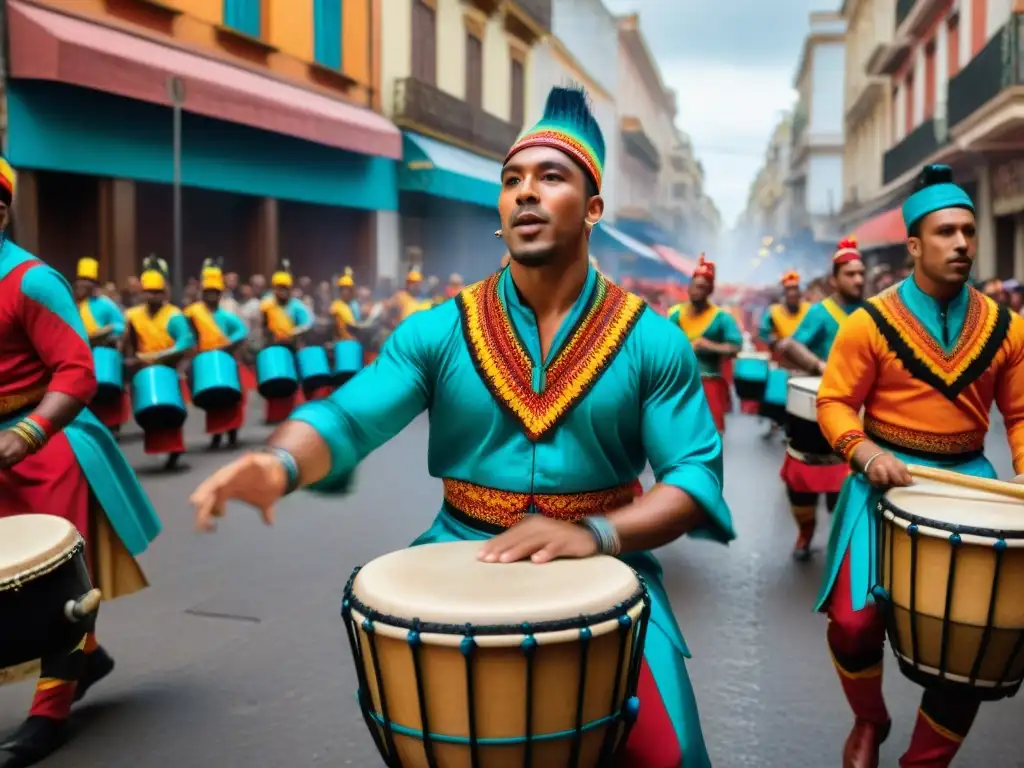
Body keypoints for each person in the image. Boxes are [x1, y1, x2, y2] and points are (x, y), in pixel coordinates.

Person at [190, 85, 735, 768]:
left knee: (673, 756)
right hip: (460, 554)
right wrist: (279, 464)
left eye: (551, 177)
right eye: (512, 181)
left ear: (593, 208)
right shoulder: (437, 331)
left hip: (608, 562)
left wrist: (593, 533)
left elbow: (693, 478)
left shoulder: (654, 342)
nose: (525, 193)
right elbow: (350, 414)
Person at [815, 164, 1024, 767]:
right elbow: (834, 403)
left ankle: (923, 761)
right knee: (853, 624)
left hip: (969, 484)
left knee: (975, 641)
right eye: (944, 232)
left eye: (968, 231)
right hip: (878, 484)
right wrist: (865, 452)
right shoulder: (867, 324)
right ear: (913, 244)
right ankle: (868, 718)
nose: (961, 243)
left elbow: (1022, 415)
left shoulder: (1008, 328)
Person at [0, 158, 160, 767]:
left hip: (48, 443)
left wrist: (28, 432)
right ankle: (86, 659)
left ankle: (50, 710)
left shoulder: (33, 282)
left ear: (1, 211)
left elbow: (77, 373)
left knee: (53, 589)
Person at [776, 238, 867, 560]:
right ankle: (805, 533)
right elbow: (787, 346)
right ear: (834, 279)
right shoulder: (821, 312)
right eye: (850, 274)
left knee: (845, 483)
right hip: (816, 412)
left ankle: (842, 540)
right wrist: (819, 366)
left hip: (858, 413)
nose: (858, 280)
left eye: (861, 273)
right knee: (803, 483)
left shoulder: (872, 313)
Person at [123, 256, 196, 470]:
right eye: (148, 291)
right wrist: (128, 357)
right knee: (150, 410)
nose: (152, 296)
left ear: (164, 293)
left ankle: (174, 449)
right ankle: (158, 445)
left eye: (157, 292)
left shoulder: (174, 315)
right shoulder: (133, 315)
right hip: (144, 370)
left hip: (167, 367)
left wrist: (159, 357)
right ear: (142, 293)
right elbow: (129, 342)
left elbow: (185, 341)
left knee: (170, 410)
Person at [666, 256, 742, 433]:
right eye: (694, 286)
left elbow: (735, 347)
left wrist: (707, 345)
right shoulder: (675, 313)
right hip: (679, 381)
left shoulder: (722, 318)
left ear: (710, 291)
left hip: (710, 381)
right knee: (677, 433)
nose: (695, 291)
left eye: (702, 287)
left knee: (710, 434)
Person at [184, 260, 249, 450]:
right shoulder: (192, 312)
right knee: (212, 400)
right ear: (202, 293)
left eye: (215, 292)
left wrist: (227, 346)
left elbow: (241, 331)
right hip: (204, 360)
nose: (211, 296)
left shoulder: (227, 316)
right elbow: (185, 332)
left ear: (220, 295)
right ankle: (216, 435)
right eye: (207, 292)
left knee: (231, 398)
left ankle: (232, 434)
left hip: (225, 359)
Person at [72, 257, 128, 433]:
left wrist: (106, 332)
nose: (83, 284)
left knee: (106, 395)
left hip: (102, 356)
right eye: (80, 280)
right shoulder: (71, 304)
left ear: (95, 285)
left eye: (88, 281)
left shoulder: (105, 304)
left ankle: (112, 427)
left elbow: (120, 325)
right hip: (79, 356)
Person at [260, 260, 313, 424]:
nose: (282, 292)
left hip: (291, 347)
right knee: (274, 379)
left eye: (285, 288)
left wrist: (295, 332)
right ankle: (275, 415)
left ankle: (294, 413)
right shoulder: (267, 304)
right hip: (273, 347)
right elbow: (263, 325)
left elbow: (308, 322)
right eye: (279, 288)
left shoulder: (296, 306)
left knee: (292, 381)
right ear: (274, 289)